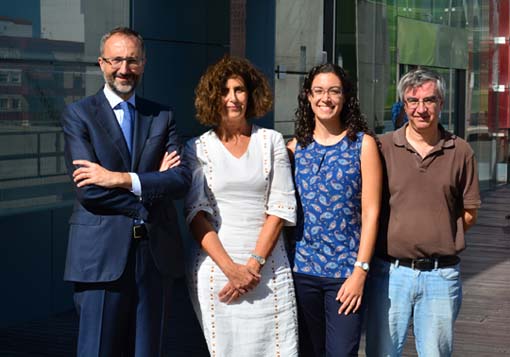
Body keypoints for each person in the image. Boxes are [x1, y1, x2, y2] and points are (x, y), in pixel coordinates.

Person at [61, 27, 190, 356]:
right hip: (100, 256)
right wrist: (150, 183)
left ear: (144, 64)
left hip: (154, 257)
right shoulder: (79, 115)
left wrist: (121, 179)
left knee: (147, 350)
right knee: (98, 349)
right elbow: (89, 191)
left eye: (132, 60)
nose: (124, 68)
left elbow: (180, 180)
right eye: (116, 59)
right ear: (101, 63)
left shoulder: (162, 115)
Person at [183, 56, 299, 356]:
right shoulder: (196, 148)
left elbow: (280, 209)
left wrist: (250, 268)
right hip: (217, 270)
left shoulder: (271, 141)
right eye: (224, 91)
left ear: (252, 94)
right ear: (213, 97)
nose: (232, 98)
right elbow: (196, 215)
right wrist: (231, 271)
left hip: (268, 270)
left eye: (239, 90)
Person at [365, 68, 481, 357]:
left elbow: (469, 212)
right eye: (413, 101)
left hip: (440, 276)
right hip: (389, 273)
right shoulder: (383, 147)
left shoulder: (460, 151)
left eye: (429, 100)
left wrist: (437, 233)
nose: (421, 109)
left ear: (441, 103)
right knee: (382, 352)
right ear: (404, 105)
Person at [287, 63, 382, 356]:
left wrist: (360, 272)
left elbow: (371, 212)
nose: (325, 98)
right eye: (318, 91)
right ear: (308, 96)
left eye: (333, 91)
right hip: (301, 271)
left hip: (345, 275)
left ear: (345, 97)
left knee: (342, 351)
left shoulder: (362, 145)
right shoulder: (293, 149)